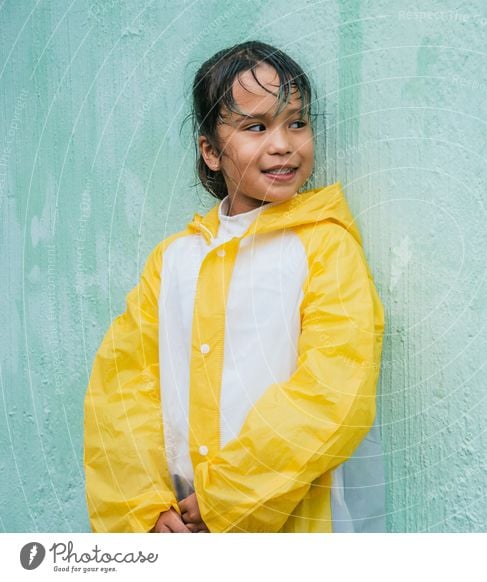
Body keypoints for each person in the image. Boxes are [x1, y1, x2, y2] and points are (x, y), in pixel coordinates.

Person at [83, 41, 386, 533]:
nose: (283, 143)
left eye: (297, 122)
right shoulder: (174, 261)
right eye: (255, 126)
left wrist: (226, 493)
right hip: (178, 526)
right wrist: (143, 505)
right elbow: (121, 388)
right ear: (211, 151)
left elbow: (335, 388)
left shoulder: (325, 247)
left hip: (290, 523)